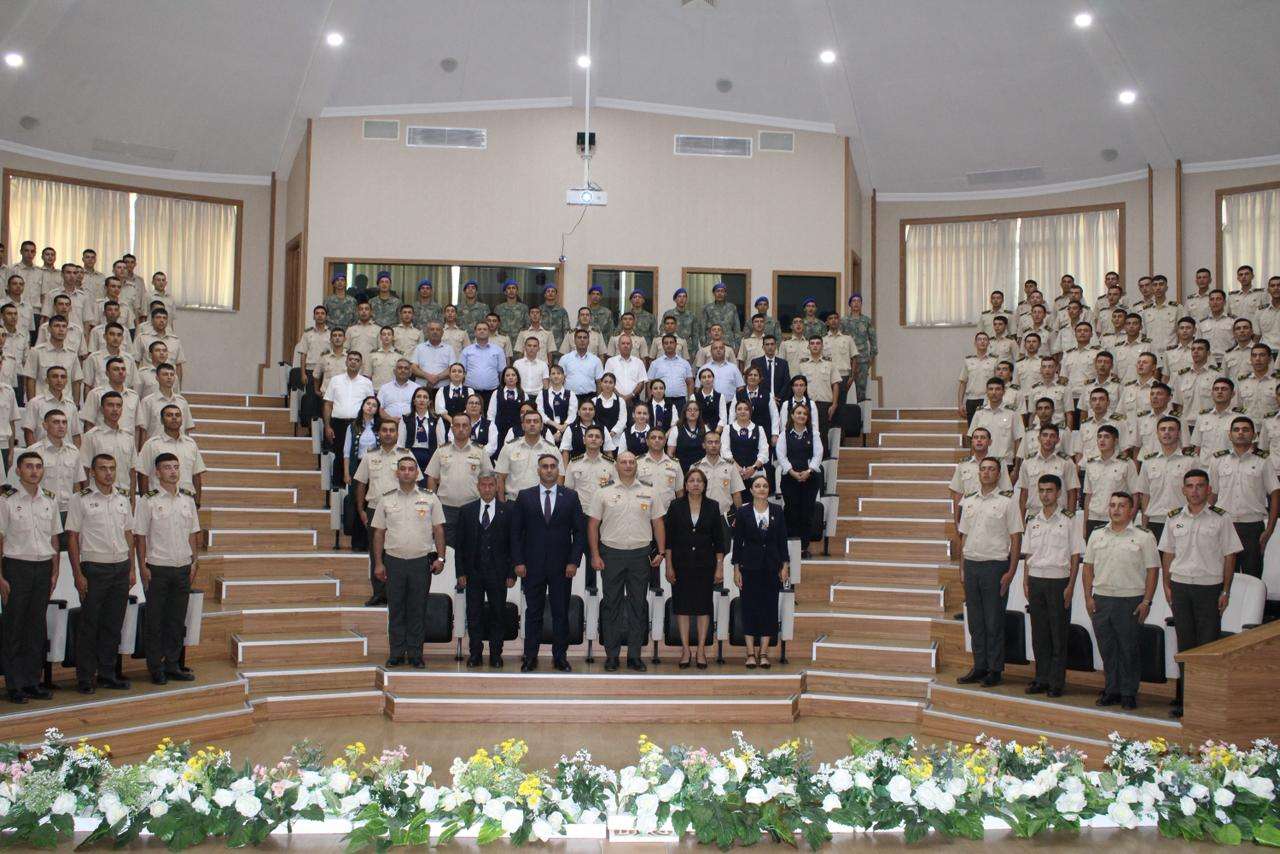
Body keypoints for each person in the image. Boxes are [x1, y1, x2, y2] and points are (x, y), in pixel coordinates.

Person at [1158, 468, 1241, 718]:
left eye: (1200, 486)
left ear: (1208, 489)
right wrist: (1166, 585)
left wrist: (1225, 590)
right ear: (1183, 490)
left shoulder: (1221, 518)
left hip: (1209, 588)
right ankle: (1186, 701)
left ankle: (1206, 702)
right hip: (1181, 587)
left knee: (1207, 646)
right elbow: (1168, 553)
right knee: (1185, 646)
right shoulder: (1173, 518)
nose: (1195, 491)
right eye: (1190, 486)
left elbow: (1230, 556)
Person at [587, 451, 666, 672]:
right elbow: (592, 525)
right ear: (616, 466)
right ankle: (612, 656)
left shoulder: (650, 491)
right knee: (611, 605)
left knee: (638, 605)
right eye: (624, 462)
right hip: (611, 554)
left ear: (636, 465)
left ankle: (634, 656)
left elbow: (658, 523)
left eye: (632, 462)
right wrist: (595, 554)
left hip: (640, 555)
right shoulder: (603, 492)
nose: (628, 465)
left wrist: (661, 551)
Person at [1082, 491, 1159, 710]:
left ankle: (1128, 693)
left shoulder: (1144, 536)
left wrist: (1146, 601)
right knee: (1107, 649)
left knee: (1128, 649)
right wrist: (1088, 597)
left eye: (1122, 505)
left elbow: (1152, 571)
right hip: (1102, 599)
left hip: (1130, 600)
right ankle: (1111, 690)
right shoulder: (1097, 534)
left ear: (1132, 510)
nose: (1116, 509)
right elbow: (1087, 568)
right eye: (1113, 505)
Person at [369, 455, 445, 669]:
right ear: (397, 473)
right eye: (403, 468)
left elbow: (438, 529)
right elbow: (378, 533)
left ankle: (415, 654)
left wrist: (441, 557)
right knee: (396, 609)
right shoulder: (386, 499)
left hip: (420, 562)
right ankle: (396, 652)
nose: (407, 472)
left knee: (417, 609)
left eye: (411, 469)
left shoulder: (430, 498)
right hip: (394, 562)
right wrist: (378, 563)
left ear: (417, 473)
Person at [66, 454, 134, 694]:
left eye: (112, 468)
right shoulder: (80, 499)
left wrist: (132, 568)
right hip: (94, 568)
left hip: (120, 567)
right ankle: (85, 677)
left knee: (113, 624)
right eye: (103, 468)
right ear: (92, 472)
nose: (108, 473)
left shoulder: (123, 499)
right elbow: (72, 537)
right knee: (89, 625)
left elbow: (128, 534)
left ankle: (107, 673)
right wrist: (77, 574)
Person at [510, 454, 585, 671]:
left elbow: (579, 532)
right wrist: (518, 561)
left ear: (558, 470)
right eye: (545, 466)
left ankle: (560, 657)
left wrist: (574, 562)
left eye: (553, 466)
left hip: (562, 567)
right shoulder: (525, 496)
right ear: (538, 470)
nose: (549, 470)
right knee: (533, 612)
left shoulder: (570, 496)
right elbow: (516, 533)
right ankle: (530, 656)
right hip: (531, 566)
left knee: (561, 613)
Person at [133, 453, 201, 685]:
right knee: (155, 621)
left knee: (176, 620)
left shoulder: (187, 500)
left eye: (176, 467)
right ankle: (155, 667)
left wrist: (195, 561)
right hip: (158, 568)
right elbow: (140, 536)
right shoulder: (148, 500)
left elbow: (193, 533)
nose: (173, 471)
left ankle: (172, 664)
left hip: (182, 568)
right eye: (167, 467)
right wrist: (142, 566)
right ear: (157, 472)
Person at [955, 458, 1023, 687]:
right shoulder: (969, 501)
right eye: (983, 469)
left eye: (991, 469)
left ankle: (995, 669)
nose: (986, 473)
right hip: (972, 565)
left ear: (999, 474)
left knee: (994, 621)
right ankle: (979, 666)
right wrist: (962, 568)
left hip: (995, 566)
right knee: (975, 622)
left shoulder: (1007, 502)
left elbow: (1016, 537)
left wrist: (1011, 571)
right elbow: (963, 536)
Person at [0, 452, 61, 704]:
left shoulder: (50, 500)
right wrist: (0, 577)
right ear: (18, 470)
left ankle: (32, 682)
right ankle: (14, 685)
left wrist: (55, 571)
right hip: (16, 568)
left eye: (38, 466)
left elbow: (54, 538)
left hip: (43, 567)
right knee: (14, 628)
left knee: (36, 628)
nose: (34, 471)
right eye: (29, 466)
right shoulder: (6, 501)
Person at [1019, 475, 1082, 698]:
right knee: (1039, 634)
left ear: (1058, 493)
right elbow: (1028, 554)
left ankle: (1056, 682)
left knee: (1058, 634)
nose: (1045, 495)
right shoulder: (1033, 520)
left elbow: (1075, 556)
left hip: (1058, 581)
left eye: (1050, 490)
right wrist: (1025, 581)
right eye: (1042, 490)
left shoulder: (1069, 520)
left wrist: (1071, 586)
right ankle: (1041, 679)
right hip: (1036, 580)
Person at [663, 468, 727, 670]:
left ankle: (700, 650)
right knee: (682, 608)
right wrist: (669, 565)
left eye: (699, 481)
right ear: (685, 484)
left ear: (705, 485)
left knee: (703, 608)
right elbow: (669, 540)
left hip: (705, 565)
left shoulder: (713, 506)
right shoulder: (675, 506)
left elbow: (719, 541)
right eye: (692, 480)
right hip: (681, 565)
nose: (696, 484)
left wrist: (719, 567)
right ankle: (685, 650)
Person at [1206, 417, 1279, 578]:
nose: (1240, 433)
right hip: (1224, 525)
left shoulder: (1263, 460)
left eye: (1245, 430)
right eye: (1236, 429)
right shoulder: (1218, 460)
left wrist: (1269, 529)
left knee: (1252, 576)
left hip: (1252, 528)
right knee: (1223, 577)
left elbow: (1275, 494)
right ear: (1230, 435)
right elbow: (1211, 495)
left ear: (1254, 435)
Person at [732, 476, 789, 668]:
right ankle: (750, 653)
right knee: (749, 608)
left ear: (769, 489)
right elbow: (737, 543)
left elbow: (782, 540)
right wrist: (736, 569)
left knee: (769, 609)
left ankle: (763, 653)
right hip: (748, 567)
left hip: (772, 568)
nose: (762, 488)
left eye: (765, 486)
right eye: (757, 486)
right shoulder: (743, 512)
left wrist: (785, 565)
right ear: (751, 490)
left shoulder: (777, 511)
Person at [425, 412, 493, 548]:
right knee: (447, 549)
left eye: (465, 425)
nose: (461, 429)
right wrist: (433, 504)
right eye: (457, 425)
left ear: (470, 428)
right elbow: (432, 478)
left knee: (471, 548)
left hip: (472, 508)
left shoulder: (480, 451)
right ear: (452, 428)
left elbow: (488, 480)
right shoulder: (441, 451)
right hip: (446, 508)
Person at [1134, 416, 1197, 543]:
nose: (1166, 432)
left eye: (1171, 429)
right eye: (1163, 429)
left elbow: (1197, 494)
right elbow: (1145, 495)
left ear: (1178, 433)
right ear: (1157, 434)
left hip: (1182, 521)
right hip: (1155, 520)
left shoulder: (1191, 461)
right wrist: (1144, 526)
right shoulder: (1148, 462)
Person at [777, 403, 823, 558]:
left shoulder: (814, 434)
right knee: (791, 511)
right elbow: (781, 456)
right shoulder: (784, 435)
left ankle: (803, 547)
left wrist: (809, 471)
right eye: (798, 413)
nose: (801, 416)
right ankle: (791, 546)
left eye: (804, 413)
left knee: (807, 512)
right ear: (792, 415)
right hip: (790, 478)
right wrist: (792, 472)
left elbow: (818, 455)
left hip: (810, 479)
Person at [323, 351, 374, 490]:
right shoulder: (335, 380)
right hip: (338, 423)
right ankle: (338, 489)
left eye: (357, 360)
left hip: (358, 424)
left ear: (361, 364)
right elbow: (328, 404)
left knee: (356, 455)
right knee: (340, 454)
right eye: (351, 359)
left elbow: (371, 404)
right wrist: (327, 426)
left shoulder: (366, 383)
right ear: (346, 362)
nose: (353, 362)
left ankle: (356, 488)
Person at [841, 294, 877, 402]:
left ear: (861, 304)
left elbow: (873, 339)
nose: (856, 303)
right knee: (844, 386)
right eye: (854, 301)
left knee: (861, 388)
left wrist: (871, 357)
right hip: (847, 359)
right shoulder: (844, 321)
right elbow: (839, 339)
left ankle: (861, 411)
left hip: (862, 359)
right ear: (850, 304)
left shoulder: (866, 320)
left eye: (858, 301)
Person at [958, 332, 999, 424]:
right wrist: (960, 404)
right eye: (979, 339)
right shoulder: (968, 361)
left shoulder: (994, 360)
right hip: (971, 400)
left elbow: (998, 383)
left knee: (988, 428)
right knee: (972, 429)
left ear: (988, 343)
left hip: (988, 400)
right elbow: (963, 383)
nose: (982, 341)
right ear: (975, 343)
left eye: (985, 339)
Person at [648, 334, 694, 411]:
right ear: (663, 345)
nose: (669, 345)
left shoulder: (685, 363)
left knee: (680, 419)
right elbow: (649, 382)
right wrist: (651, 400)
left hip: (680, 401)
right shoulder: (655, 363)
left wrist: (690, 401)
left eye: (671, 342)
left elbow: (690, 383)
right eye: (666, 343)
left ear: (676, 344)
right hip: (661, 400)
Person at [668, 399, 708, 473]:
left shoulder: (705, 429)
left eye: (695, 410)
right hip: (681, 471)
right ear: (685, 412)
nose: (692, 412)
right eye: (689, 410)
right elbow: (670, 454)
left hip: (702, 471)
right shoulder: (676, 430)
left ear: (699, 412)